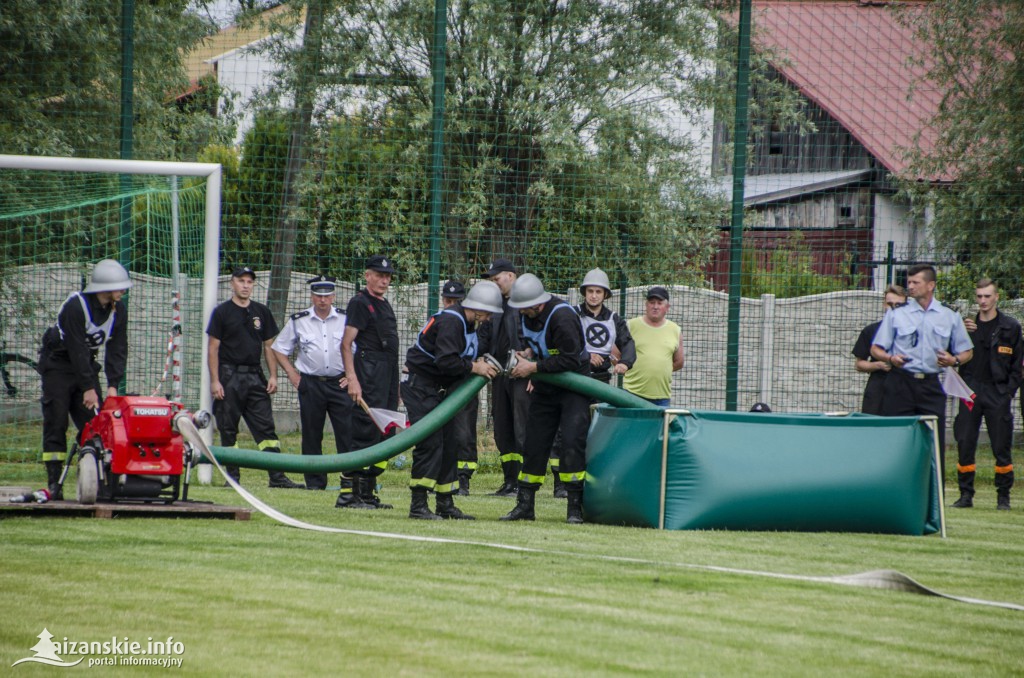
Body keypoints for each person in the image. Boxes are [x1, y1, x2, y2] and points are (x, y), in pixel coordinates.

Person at [402, 281, 503, 519]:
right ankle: (418, 505)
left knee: (450, 444)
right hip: (420, 387)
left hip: (439, 390)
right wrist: (475, 367)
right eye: (487, 313)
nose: (488, 318)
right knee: (430, 443)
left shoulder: (469, 324)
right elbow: (446, 361)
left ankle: (445, 503)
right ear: (477, 308)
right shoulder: (451, 322)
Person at [38, 259, 132, 500]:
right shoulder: (76, 306)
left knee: (96, 425)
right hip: (58, 365)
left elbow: (118, 348)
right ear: (105, 287)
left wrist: (112, 386)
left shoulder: (118, 310)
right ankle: (54, 481)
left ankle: (95, 479)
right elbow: (76, 348)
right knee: (56, 421)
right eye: (119, 286)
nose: (123, 291)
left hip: (85, 367)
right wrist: (88, 388)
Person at [501, 273, 590, 524]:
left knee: (572, 443)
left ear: (536, 304)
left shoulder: (562, 316)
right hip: (546, 386)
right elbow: (543, 345)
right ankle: (525, 506)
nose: (519, 312)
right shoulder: (526, 313)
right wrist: (529, 352)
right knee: (534, 443)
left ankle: (575, 507)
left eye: (523, 308)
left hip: (574, 386)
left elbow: (571, 358)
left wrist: (533, 368)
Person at [871, 264, 973, 478]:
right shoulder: (897, 315)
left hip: (930, 384)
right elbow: (876, 349)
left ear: (931, 285)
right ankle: (891, 490)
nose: (910, 286)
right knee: (894, 439)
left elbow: (967, 352)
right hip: (900, 383)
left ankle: (934, 498)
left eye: (915, 282)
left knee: (933, 442)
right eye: (909, 282)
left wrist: (953, 359)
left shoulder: (949, 315)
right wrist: (890, 358)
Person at [207, 266, 302, 489]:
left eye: (249, 282)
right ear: (232, 283)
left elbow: (269, 346)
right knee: (228, 428)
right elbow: (213, 348)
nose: (246, 286)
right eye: (241, 281)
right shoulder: (222, 312)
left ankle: (277, 476)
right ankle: (232, 478)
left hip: (254, 376)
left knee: (266, 428)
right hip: (229, 377)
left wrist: (273, 376)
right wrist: (215, 380)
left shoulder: (261, 311)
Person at [547, 268, 636, 497]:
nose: (594, 296)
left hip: (601, 381)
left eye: (598, 291)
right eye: (590, 291)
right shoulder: (571, 313)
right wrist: (585, 354)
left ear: (605, 294)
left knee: (597, 432)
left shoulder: (615, 318)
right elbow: (561, 339)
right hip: (575, 379)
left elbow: (627, 343)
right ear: (584, 293)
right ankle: (560, 484)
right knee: (564, 431)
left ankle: (592, 479)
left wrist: (625, 362)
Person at [271, 275, 352, 491]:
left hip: (339, 383)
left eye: (327, 295)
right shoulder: (299, 320)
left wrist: (352, 376)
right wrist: (292, 374)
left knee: (346, 433)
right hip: (311, 384)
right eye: (318, 295)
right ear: (312, 296)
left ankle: (349, 480)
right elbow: (279, 349)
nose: (323, 300)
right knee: (311, 434)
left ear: (334, 296)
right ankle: (315, 483)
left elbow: (357, 350)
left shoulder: (346, 319)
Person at [951, 279, 1022, 510]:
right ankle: (965, 495)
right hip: (970, 391)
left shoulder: (1010, 327)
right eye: (979, 296)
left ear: (996, 297)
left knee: (1001, 446)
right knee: (965, 442)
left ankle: (1003, 497)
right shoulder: (967, 326)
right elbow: (950, 351)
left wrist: (1008, 392)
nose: (982, 301)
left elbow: (1018, 364)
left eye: (987, 296)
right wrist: (960, 328)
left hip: (997, 392)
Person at [338, 254, 400, 509]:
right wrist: (352, 379)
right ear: (367, 276)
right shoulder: (360, 303)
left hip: (387, 373)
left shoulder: (384, 304)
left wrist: (395, 388)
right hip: (369, 372)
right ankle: (347, 495)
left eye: (387, 277)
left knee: (384, 433)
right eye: (379, 275)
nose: (384, 281)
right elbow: (346, 344)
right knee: (364, 432)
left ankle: (367, 492)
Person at [481, 258, 530, 497]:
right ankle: (509, 480)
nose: (494, 283)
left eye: (496, 278)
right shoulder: (497, 304)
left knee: (522, 428)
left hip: (522, 375)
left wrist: (533, 370)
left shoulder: (527, 301)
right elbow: (485, 334)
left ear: (510, 275)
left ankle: (524, 482)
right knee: (502, 428)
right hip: (499, 375)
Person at [439, 281, 482, 496]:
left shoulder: (475, 324)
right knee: (440, 432)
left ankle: (463, 479)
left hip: (464, 383)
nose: (451, 304)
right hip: (440, 384)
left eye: (456, 301)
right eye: (448, 300)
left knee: (464, 432)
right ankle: (442, 476)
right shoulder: (442, 321)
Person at [622, 286, 684, 407]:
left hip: (661, 398)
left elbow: (679, 362)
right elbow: (615, 353)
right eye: (652, 303)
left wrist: (660, 370)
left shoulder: (675, 330)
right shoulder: (631, 325)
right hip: (632, 393)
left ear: (667, 307)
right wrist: (630, 369)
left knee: (661, 427)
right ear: (646, 305)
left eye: (659, 303)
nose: (655, 306)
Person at [851, 285, 908, 414]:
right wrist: (877, 365)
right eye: (889, 304)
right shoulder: (871, 330)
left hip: (905, 386)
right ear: (884, 304)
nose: (893, 308)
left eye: (898, 304)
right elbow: (859, 364)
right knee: (872, 427)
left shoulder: (915, 331)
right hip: (878, 386)